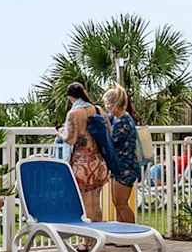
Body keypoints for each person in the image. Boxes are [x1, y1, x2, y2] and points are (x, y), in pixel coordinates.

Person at [60, 80, 106, 217]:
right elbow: (107, 131)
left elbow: (71, 139)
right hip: (99, 163)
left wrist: (60, 133)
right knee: (96, 203)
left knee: (86, 204)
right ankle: (100, 236)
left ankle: (89, 239)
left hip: (82, 165)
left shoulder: (73, 113)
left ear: (70, 97)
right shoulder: (98, 109)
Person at [100, 85, 146, 221]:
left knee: (122, 204)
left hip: (126, 167)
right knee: (117, 203)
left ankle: (131, 235)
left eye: (107, 104)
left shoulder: (123, 122)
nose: (106, 107)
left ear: (113, 104)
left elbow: (110, 141)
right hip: (120, 167)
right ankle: (123, 236)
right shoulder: (118, 118)